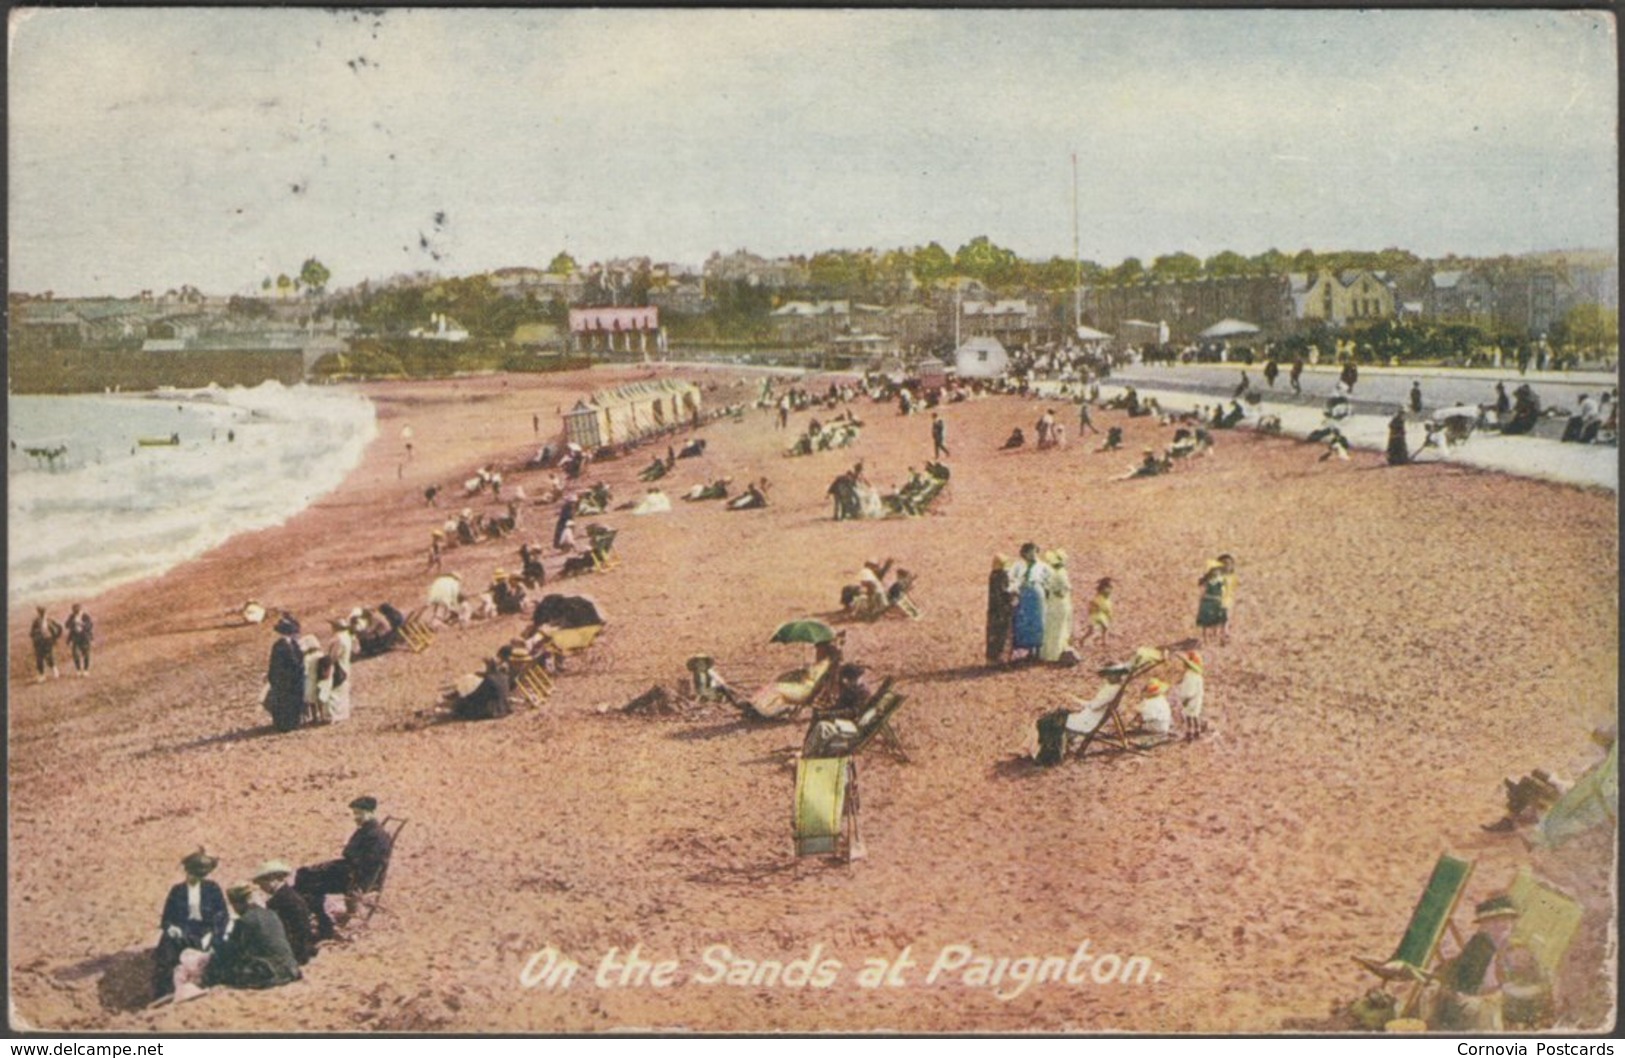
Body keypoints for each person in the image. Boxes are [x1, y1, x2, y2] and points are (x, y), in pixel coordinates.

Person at [1427, 894, 1541, 1032]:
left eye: (1505, 919)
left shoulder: (1519, 946)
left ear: (1512, 921)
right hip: (1476, 1003)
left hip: (1509, 1003)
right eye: (1493, 921)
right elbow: (1462, 977)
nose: (1501, 925)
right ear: (1484, 926)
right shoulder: (1478, 945)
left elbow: (1530, 981)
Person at [295, 796, 394, 940]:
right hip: (349, 871)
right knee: (304, 873)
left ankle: (323, 923)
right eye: (355, 813)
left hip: (356, 880)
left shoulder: (376, 836)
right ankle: (311, 917)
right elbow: (350, 854)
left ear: (370, 812)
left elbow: (367, 865)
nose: (356, 817)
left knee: (309, 882)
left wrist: (340, 870)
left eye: (359, 813)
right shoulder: (367, 830)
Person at [153, 850, 229, 998]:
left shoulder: (212, 889)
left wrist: (213, 933)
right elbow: (166, 918)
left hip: (204, 931)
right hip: (182, 931)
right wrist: (171, 928)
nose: (195, 877)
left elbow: (222, 915)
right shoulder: (177, 891)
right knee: (166, 950)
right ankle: (165, 991)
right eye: (193, 873)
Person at [209, 885, 301, 991]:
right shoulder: (271, 913)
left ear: (237, 903)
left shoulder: (244, 921)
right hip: (292, 969)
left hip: (271, 973)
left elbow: (233, 951)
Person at [252, 861, 317, 966]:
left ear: (272, 879)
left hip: (293, 952)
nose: (261, 887)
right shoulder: (288, 895)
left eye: (261, 883)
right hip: (301, 949)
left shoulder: (282, 900)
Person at [1008, 543, 1050, 663]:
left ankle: (1036, 650)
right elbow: (1011, 578)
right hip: (1024, 594)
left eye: (1035, 551)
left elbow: (1049, 578)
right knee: (1023, 620)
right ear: (1024, 553)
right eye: (1030, 552)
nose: (1032, 554)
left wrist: (1045, 588)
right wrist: (1014, 589)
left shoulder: (1042, 566)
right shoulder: (1018, 565)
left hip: (1037, 593)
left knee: (1038, 620)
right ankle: (1027, 649)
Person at [265, 615, 306, 732]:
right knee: (286, 702)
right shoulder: (281, 645)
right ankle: (286, 724)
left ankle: (290, 722)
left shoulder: (289, 644)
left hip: (290, 679)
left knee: (289, 701)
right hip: (285, 679)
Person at [451, 655, 513, 721]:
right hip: (504, 707)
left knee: (461, 704)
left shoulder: (490, 679)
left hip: (493, 710)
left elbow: (478, 694)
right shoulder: (504, 677)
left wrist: (464, 698)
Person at [1039, 549, 1074, 663]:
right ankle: (1054, 654)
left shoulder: (1051, 572)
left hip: (1051, 603)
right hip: (1060, 604)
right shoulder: (1061, 574)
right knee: (1059, 628)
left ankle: (1047, 653)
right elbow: (1061, 593)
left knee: (1051, 628)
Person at [324, 617, 355, 723]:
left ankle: (334, 715)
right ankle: (343, 713)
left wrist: (327, 664)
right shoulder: (347, 637)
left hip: (338, 666)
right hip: (345, 664)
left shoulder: (338, 639)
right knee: (343, 690)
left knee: (334, 691)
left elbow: (334, 656)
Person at [985, 555, 1014, 668]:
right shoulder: (1002, 576)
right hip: (1002, 610)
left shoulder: (993, 575)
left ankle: (991, 659)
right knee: (1002, 634)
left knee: (992, 634)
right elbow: (1005, 592)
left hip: (993, 610)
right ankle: (1000, 659)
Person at [1174, 650, 1206, 741]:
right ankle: (1197, 730)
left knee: (1189, 716)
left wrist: (1185, 699)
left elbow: (1189, 690)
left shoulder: (1190, 675)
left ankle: (1190, 732)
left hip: (1191, 699)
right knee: (1195, 715)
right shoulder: (1198, 675)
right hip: (1197, 698)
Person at [1077, 577, 1114, 653]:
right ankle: (1082, 640)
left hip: (1101, 613)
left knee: (1105, 627)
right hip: (1095, 614)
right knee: (1092, 630)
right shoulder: (1099, 595)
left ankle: (1104, 641)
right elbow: (1092, 605)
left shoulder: (1107, 593)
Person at [1196, 560, 1228, 646]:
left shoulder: (1221, 580)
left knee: (1217, 620)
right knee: (1205, 622)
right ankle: (1206, 639)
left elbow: (1223, 591)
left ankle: (1217, 636)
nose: (1216, 572)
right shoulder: (1207, 581)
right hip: (1208, 601)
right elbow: (1202, 591)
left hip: (1216, 601)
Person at [29, 605, 62, 683]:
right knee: (39, 659)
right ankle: (42, 675)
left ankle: (55, 671)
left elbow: (59, 628)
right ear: (38, 612)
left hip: (48, 641)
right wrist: (36, 634)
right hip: (39, 642)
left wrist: (55, 637)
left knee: (49, 657)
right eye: (40, 611)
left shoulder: (50, 620)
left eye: (43, 611)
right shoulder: (36, 621)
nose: (41, 613)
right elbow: (31, 633)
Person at [64, 603, 94, 677]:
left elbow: (90, 626)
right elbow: (66, 625)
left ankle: (86, 670)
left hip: (84, 637)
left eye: (77, 610)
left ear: (80, 609)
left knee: (86, 654)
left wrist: (82, 624)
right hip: (75, 637)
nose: (75, 612)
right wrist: (72, 622)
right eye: (74, 610)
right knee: (75, 654)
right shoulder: (72, 616)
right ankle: (78, 670)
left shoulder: (85, 616)